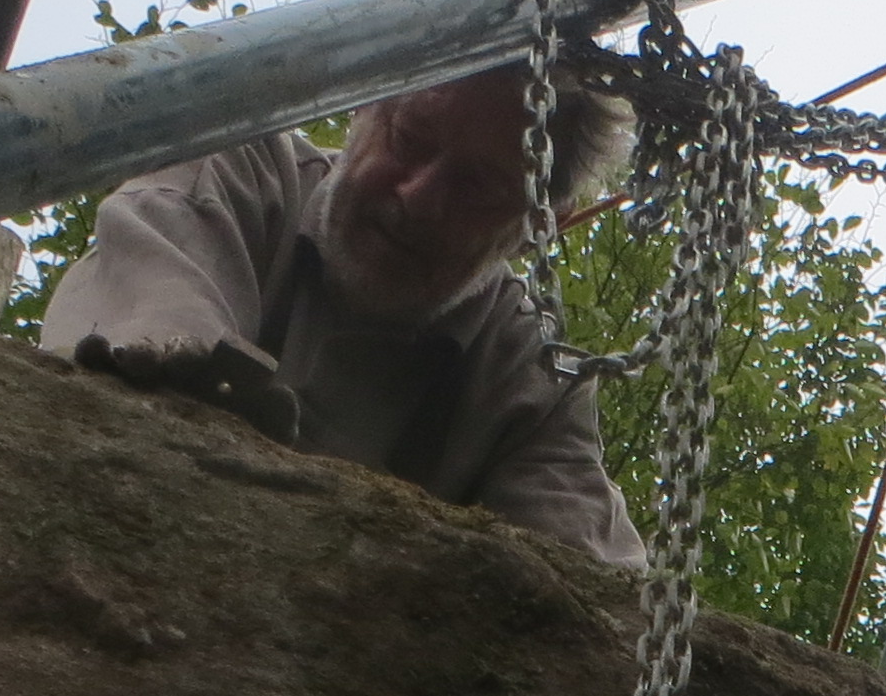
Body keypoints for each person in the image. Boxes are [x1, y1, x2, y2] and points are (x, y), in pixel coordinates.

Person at [39, 61, 645, 562]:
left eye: (476, 187)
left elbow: (591, 598)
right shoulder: (226, 179)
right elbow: (142, 391)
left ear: (540, 228)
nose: (417, 197)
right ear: (364, 106)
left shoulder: (536, 380)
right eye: (409, 140)